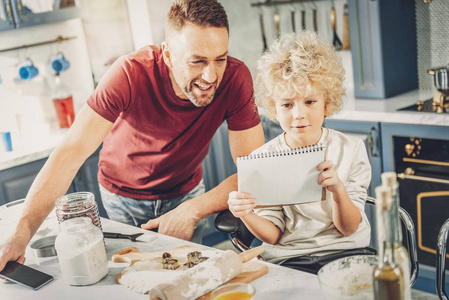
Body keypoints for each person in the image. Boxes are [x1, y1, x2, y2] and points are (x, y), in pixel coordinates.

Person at [0, 0, 264, 272]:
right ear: (169, 56)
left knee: (189, 275)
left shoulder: (235, 79)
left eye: (220, 59)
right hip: (122, 198)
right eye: (197, 61)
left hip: (186, 192)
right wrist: (22, 232)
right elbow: (70, 153)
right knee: (135, 277)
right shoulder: (129, 73)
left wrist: (192, 209)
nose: (211, 75)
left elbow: (255, 171)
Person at [228, 31, 373, 274]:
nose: (298, 114)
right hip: (290, 260)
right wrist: (246, 214)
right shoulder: (263, 160)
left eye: (310, 102)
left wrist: (337, 190)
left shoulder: (351, 149)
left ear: (327, 102)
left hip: (347, 253)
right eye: (286, 104)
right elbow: (273, 236)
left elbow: (348, 229)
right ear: (273, 108)